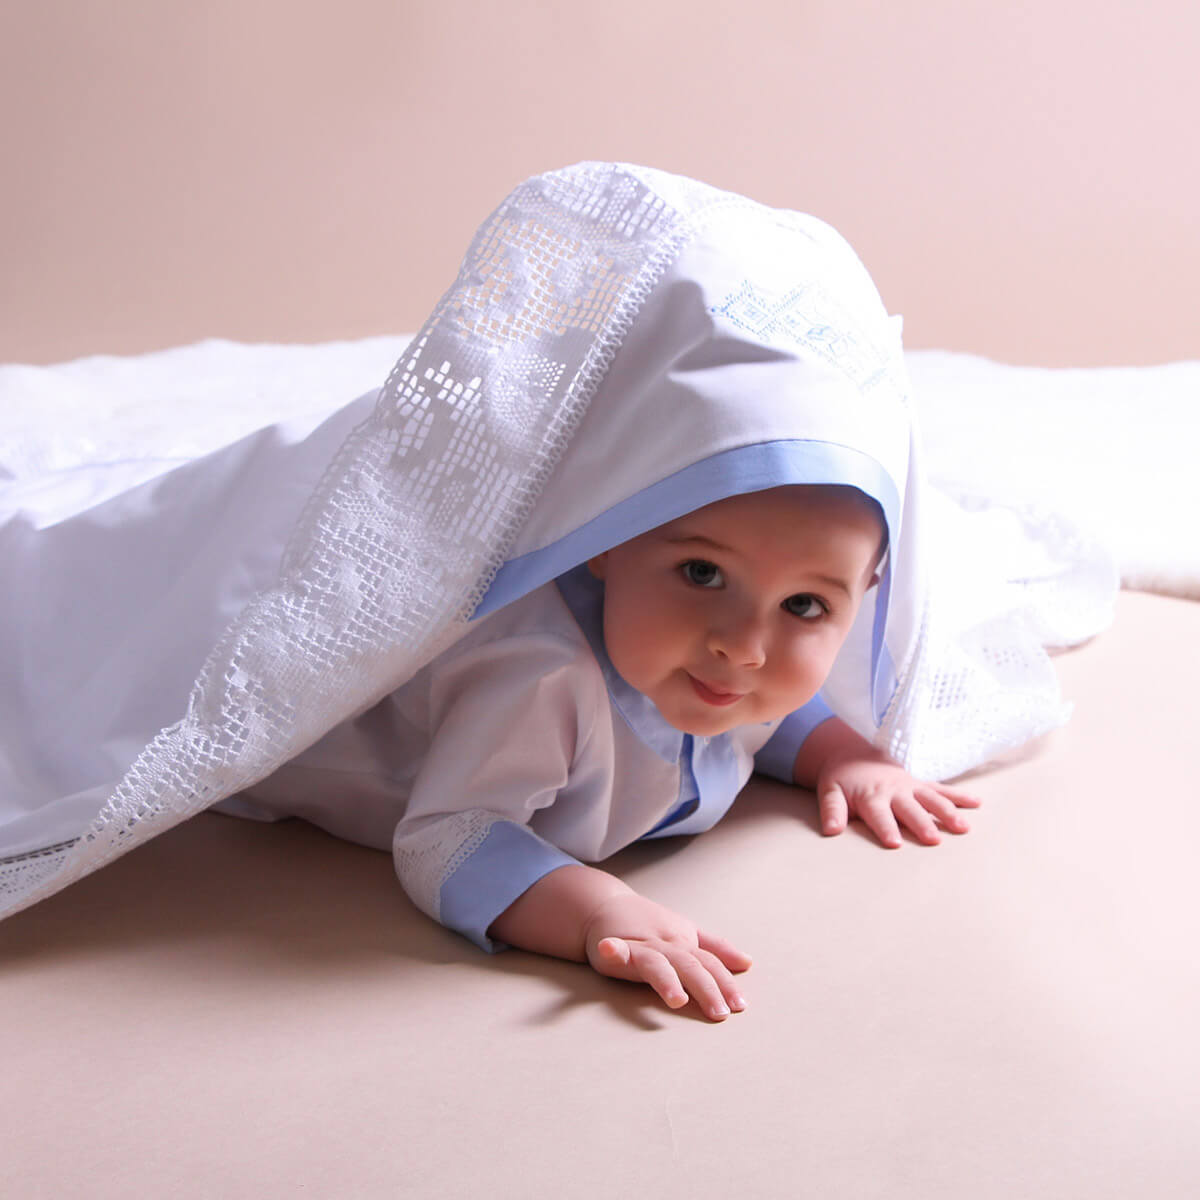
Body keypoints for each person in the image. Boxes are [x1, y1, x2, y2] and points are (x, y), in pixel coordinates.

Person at [0, 164, 1107, 1019]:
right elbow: (447, 835)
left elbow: (760, 712)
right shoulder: (540, 682)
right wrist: (593, 910)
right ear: (597, 540)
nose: (741, 647)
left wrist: (842, 753)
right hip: (251, 638)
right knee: (89, 583)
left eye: (807, 609)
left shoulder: (712, 662)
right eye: (701, 572)